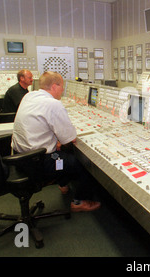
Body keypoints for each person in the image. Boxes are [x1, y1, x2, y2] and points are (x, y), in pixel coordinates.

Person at [11, 71, 101, 212]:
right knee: (82, 162)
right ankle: (79, 201)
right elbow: (69, 139)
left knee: (61, 151)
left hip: (19, 156)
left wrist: (57, 141)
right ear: (54, 86)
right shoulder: (53, 104)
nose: (63, 90)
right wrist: (61, 139)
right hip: (37, 161)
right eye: (62, 86)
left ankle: (64, 184)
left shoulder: (29, 96)